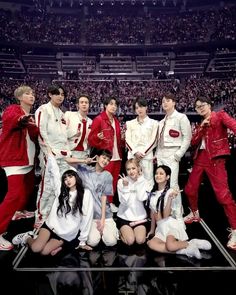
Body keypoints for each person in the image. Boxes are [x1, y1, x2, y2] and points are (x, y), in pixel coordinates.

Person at [184, 96, 236, 251]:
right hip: (200, 159)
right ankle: (194, 213)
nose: (200, 108)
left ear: (210, 105)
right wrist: (201, 128)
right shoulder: (201, 123)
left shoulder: (220, 115)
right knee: (189, 190)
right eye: (197, 107)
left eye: (202, 105)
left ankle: (235, 229)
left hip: (216, 160)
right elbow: (193, 142)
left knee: (223, 196)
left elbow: (234, 125)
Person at [12, 169, 93, 255]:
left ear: (76, 177)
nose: (68, 180)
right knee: (36, 248)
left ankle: (42, 240)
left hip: (65, 233)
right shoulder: (61, 191)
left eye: (70, 176)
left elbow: (87, 218)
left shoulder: (86, 193)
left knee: (44, 252)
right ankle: (27, 237)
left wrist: (82, 241)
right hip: (52, 225)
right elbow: (55, 172)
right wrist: (50, 156)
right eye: (65, 179)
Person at [0, 86, 38, 251]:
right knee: (13, 195)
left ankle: (19, 211)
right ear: (20, 97)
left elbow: (35, 135)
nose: (32, 95)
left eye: (32, 93)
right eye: (28, 94)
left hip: (28, 160)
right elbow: (12, 119)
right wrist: (23, 120)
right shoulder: (13, 109)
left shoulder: (31, 115)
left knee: (27, 187)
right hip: (15, 159)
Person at [147, 165, 211, 259]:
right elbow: (153, 214)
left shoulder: (170, 192)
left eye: (161, 174)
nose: (158, 175)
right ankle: (186, 250)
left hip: (170, 224)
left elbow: (165, 215)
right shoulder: (152, 194)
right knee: (151, 244)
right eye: (156, 173)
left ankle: (190, 243)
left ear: (167, 177)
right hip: (160, 227)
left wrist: (169, 199)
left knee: (170, 246)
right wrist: (152, 230)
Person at [34, 84, 71, 228]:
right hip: (49, 154)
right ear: (50, 94)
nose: (60, 96)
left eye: (62, 94)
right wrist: (47, 151)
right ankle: (40, 216)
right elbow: (41, 132)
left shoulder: (62, 113)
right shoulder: (43, 109)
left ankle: (53, 215)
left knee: (60, 186)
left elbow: (63, 136)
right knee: (47, 187)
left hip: (62, 154)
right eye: (57, 93)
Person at [66, 149, 119, 247]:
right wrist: (84, 161)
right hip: (90, 216)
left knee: (111, 242)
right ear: (97, 157)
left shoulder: (107, 176)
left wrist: (102, 219)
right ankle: (100, 233)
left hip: (105, 215)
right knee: (92, 242)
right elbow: (67, 160)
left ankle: (109, 231)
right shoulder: (84, 170)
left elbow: (104, 197)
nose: (105, 161)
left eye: (108, 160)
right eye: (104, 157)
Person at [155, 92, 192, 219]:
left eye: (168, 100)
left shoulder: (181, 117)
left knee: (173, 184)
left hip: (172, 153)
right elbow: (159, 142)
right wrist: (157, 155)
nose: (164, 103)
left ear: (174, 102)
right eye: (163, 101)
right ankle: (165, 211)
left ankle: (177, 214)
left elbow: (187, 138)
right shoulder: (161, 122)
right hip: (161, 154)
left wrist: (178, 154)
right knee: (161, 185)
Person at [88, 97, 125, 213]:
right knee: (103, 181)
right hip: (106, 156)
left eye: (115, 105)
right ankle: (99, 204)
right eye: (111, 104)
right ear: (105, 105)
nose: (113, 106)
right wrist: (97, 138)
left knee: (113, 182)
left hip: (117, 155)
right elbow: (90, 140)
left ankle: (110, 203)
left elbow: (118, 139)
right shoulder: (99, 119)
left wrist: (123, 138)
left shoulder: (116, 121)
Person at [125, 97, 158, 191]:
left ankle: (147, 204)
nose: (139, 109)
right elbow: (127, 140)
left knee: (148, 181)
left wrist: (142, 153)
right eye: (136, 107)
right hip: (132, 157)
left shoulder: (154, 123)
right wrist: (135, 152)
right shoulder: (130, 123)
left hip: (146, 157)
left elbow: (154, 141)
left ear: (146, 107)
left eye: (141, 107)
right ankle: (133, 204)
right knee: (132, 180)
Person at [117, 159, 149, 246]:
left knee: (140, 240)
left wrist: (140, 181)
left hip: (139, 218)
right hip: (124, 217)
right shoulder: (121, 181)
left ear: (138, 168)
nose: (131, 171)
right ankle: (120, 232)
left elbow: (142, 197)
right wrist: (126, 187)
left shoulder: (143, 181)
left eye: (133, 168)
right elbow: (123, 202)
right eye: (128, 169)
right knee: (130, 241)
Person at [64, 94, 93, 159]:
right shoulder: (69, 115)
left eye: (86, 102)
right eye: (81, 102)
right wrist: (73, 133)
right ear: (77, 105)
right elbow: (61, 133)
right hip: (70, 152)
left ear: (89, 105)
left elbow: (89, 141)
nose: (84, 104)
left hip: (84, 154)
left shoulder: (91, 122)